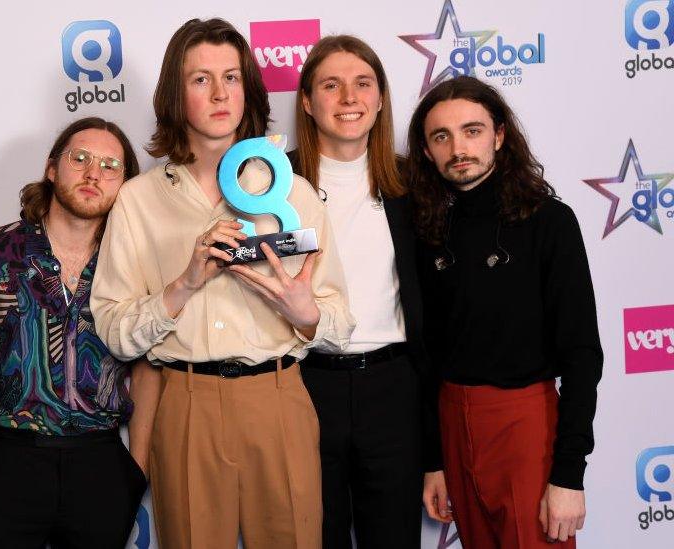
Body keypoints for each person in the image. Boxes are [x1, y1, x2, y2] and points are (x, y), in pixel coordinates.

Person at [90, 17, 353, 549]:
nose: (219, 93)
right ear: (174, 93)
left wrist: (306, 313)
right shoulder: (139, 200)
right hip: (185, 403)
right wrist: (183, 286)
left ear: (248, 88)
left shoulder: (294, 193)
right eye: (200, 79)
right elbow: (115, 330)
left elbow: (340, 325)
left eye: (231, 77)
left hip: (278, 398)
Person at [406, 75, 603, 548]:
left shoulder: (549, 221)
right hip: (454, 422)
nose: (458, 148)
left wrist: (569, 476)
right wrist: (435, 460)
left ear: (499, 135)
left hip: (525, 424)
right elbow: (426, 355)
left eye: (472, 131)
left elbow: (582, 354)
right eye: (441, 136)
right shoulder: (426, 227)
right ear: (427, 151)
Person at [0, 117, 145, 549]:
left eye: (111, 166)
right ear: (52, 168)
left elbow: (149, 371)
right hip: (9, 462)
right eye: (81, 158)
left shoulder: (134, 267)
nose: (94, 174)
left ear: (126, 184)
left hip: (101, 465)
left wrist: (135, 470)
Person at [288, 35, 445, 548]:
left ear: (380, 99)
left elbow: (435, 314)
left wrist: (435, 453)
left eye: (363, 84)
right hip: (305, 387)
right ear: (308, 102)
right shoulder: (273, 181)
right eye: (331, 86)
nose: (349, 98)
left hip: (391, 390)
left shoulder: (412, 184)